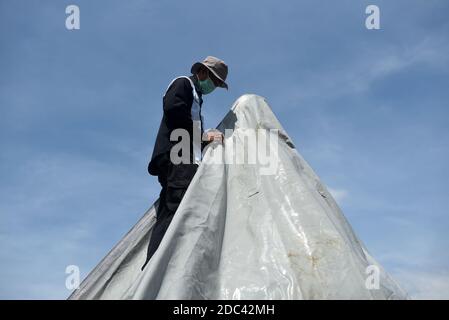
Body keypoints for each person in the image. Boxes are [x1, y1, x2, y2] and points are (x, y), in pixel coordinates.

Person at [142, 56, 229, 270]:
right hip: (176, 156)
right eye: (215, 81)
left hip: (184, 157)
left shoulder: (196, 96)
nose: (214, 87)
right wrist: (203, 134)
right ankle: (156, 269)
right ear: (202, 72)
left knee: (174, 207)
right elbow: (173, 110)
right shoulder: (183, 83)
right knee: (177, 208)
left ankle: (157, 268)